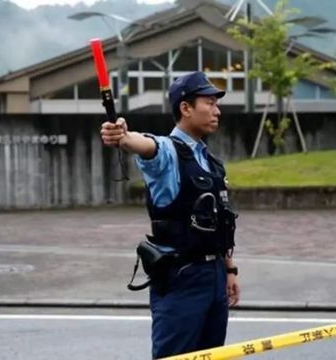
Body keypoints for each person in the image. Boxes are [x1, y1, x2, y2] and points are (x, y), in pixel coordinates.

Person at [100, 71, 241, 359]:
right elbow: (146, 144)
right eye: (209, 103)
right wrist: (124, 137)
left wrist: (229, 269)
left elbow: (221, 220)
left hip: (214, 276)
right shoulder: (168, 152)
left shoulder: (211, 161)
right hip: (182, 277)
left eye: (217, 103)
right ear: (185, 108)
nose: (217, 110)